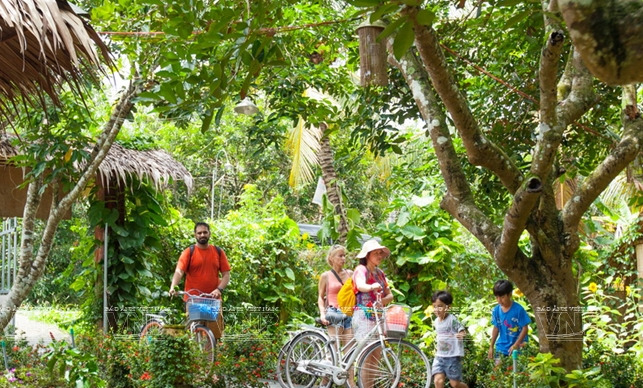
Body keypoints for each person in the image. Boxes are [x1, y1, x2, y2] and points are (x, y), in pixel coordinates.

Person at [170, 222, 231, 340]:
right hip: (193, 300)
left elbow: (226, 275)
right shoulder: (189, 252)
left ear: (209, 233)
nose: (202, 235)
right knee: (193, 334)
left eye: (205, 232)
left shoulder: (218, 252)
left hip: (213, 301)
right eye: (199, 233)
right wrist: (173, 287)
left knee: (213, 336)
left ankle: (209, 358)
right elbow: (179, 271)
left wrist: (219, 289)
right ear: (195, 235)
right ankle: (195, 358)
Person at [352, 239, 393, 388]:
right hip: (364, 316)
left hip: (378, 316)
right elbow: (361, 285)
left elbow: (390, 295)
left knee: (376, 356)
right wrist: (371, 287)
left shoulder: (380, 273)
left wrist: (381, 301)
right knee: (366, 355)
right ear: (367, 255)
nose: (379, 256)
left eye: (381, 253)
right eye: (376, 253)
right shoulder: (360, 270)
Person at [431, 290, 468, 388]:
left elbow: (462, 330)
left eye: (440, 306)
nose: (437, 309)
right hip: (439, 357)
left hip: (453, 357)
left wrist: (461, 334)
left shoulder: (452, 319)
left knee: (455, 384)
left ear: (448, 307)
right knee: (438, 381)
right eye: (434, 306)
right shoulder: (436, 321)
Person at [487, 279, 530, 364]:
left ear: (510, 294)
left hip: (518, 347)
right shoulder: (496, 310)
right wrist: (491, 346)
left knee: (517, 373)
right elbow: (496, 328)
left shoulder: (518, 310)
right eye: (497, 297)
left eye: (502, 297)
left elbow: (525, 328)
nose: (499, 300)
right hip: (501, 347)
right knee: (497, 372)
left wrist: (516, 344)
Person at [317, 244, 353, 344]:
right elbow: (320, 297)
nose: (343, 258)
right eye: (340, 256)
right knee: (333, 349)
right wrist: (322, 314)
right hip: (334, 313)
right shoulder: (326, 276)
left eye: (344, 255)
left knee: (349, 351)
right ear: (331, 258)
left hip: (349, 313)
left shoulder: (350, 274)